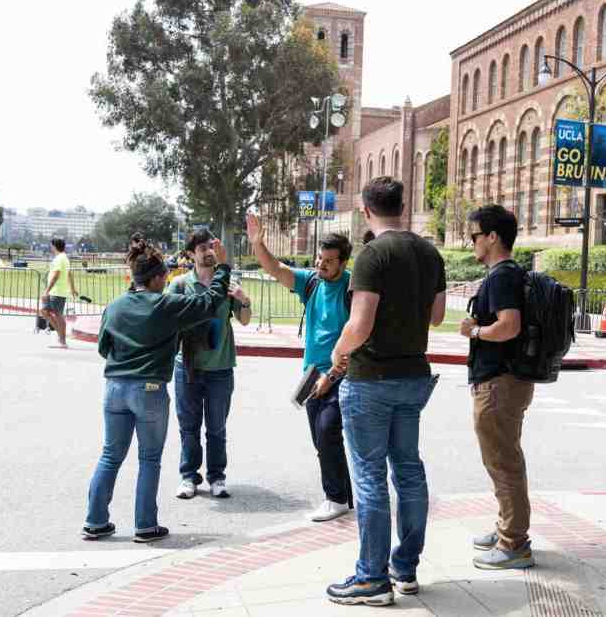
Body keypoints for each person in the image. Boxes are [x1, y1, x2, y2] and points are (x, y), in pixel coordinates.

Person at [325, 176, 446, 607]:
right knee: (408, 471)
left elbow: (360, 324)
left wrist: (337, 355)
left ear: (365, 210)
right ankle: (404, 568)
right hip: (414, 376)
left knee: (371, 479)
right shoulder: (429, 252)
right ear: (403, 204)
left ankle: (371, 578)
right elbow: (436, 316)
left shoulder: (373, 254)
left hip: (370, 378)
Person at [83, 237, 230, 543]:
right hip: (149, 388)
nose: (167, 280)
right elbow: (209, 303)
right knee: (149, 458)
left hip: (114, 388)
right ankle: (145, 525)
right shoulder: (165, 305)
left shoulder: (114, 306)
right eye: (164, 275)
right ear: (155, 278)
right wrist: (223, 268)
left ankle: (95, 522)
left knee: (110, 455)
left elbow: (103, 348)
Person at [245, 213, 354, 522]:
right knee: (322, 439)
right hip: (311, 374)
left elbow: (357, 338)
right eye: (320, 259)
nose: (321, 265)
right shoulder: (312, 282)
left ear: (344, 263)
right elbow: (275, 269)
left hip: (342, 374)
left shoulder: (352, 288)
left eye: (329, 261)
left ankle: (335, 498)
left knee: (327, 430)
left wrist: (331, 377)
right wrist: (258, 243)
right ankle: (345, 496)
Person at [459, 205, 535, 571]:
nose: (470, 241)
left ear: (492, 237)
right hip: (505, 380)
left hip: (499, 383)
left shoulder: (503, 276)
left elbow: (509, 326)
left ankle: (513, 544)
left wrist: (474, 331)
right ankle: (507, 528)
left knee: (503, 462)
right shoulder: (506, 274)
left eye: (474, 235)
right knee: (503, 459)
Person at [169, 229, 252, 500]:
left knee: (216, 427)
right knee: (188, 426)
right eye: (202, 247)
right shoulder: (180, 284)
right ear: (191, 253)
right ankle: (188, 476)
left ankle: (217, 476)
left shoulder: (228, 282)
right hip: (188, 367)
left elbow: (246, 319)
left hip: (220, 367)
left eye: (211, 246)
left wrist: (244, 300)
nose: (208, 252)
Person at [40, 237, 78, 348]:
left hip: (57, 291)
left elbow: (56, 275)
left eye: (51, 245)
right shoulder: (63, 258)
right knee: (44, 311)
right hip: (55, 291)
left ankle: (62, 341)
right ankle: (60, 335)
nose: (50, 247)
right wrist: (72, 288)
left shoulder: (60, 258)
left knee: (58, 315)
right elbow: (69, 274)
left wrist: (46, 291)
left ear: (54, 246)